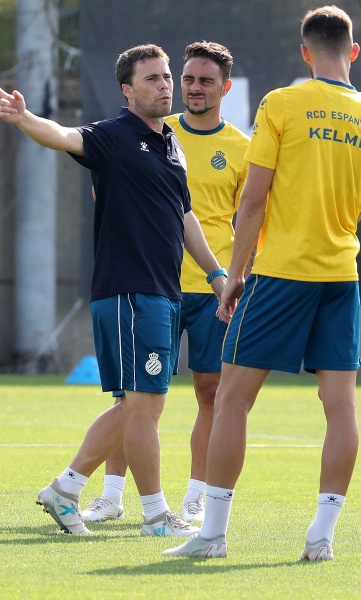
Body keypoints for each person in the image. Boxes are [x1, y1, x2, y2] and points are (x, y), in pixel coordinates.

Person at [164, 5, 361, 559]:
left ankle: (212, 535)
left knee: (232, 398)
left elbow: (253, 201)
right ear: (353, 52)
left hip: (282, 273)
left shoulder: (283, 103)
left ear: (305, 52)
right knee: (341, 407)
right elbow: (360, 208)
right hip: (342, 275)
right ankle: (322, 537)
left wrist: (235, 274)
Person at [0, 43, 227, 537]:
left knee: (136, 407)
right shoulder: (114, 136)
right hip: (129, 291)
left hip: (161, 292)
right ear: (127, 90)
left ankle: (66, 489)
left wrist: (215, 273)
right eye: (152, 79)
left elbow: (185, 217)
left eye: (166, 76)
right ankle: (156, 516)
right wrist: (25, 118)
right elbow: (63, 136)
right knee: (145, 406)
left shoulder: (172, 143)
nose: (165, 85)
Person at [81, 41, 250, 526]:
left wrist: (230, 276)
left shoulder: (242, 148)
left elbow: (249, 218)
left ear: (225, 88)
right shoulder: (153, 131)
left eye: (205, 81)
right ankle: (111, 495)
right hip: (152, 283)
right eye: (188, 78)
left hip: (212, 290)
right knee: (131, 396)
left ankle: (195, 496)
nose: (193, 88)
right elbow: (108, 187)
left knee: (210, 393)